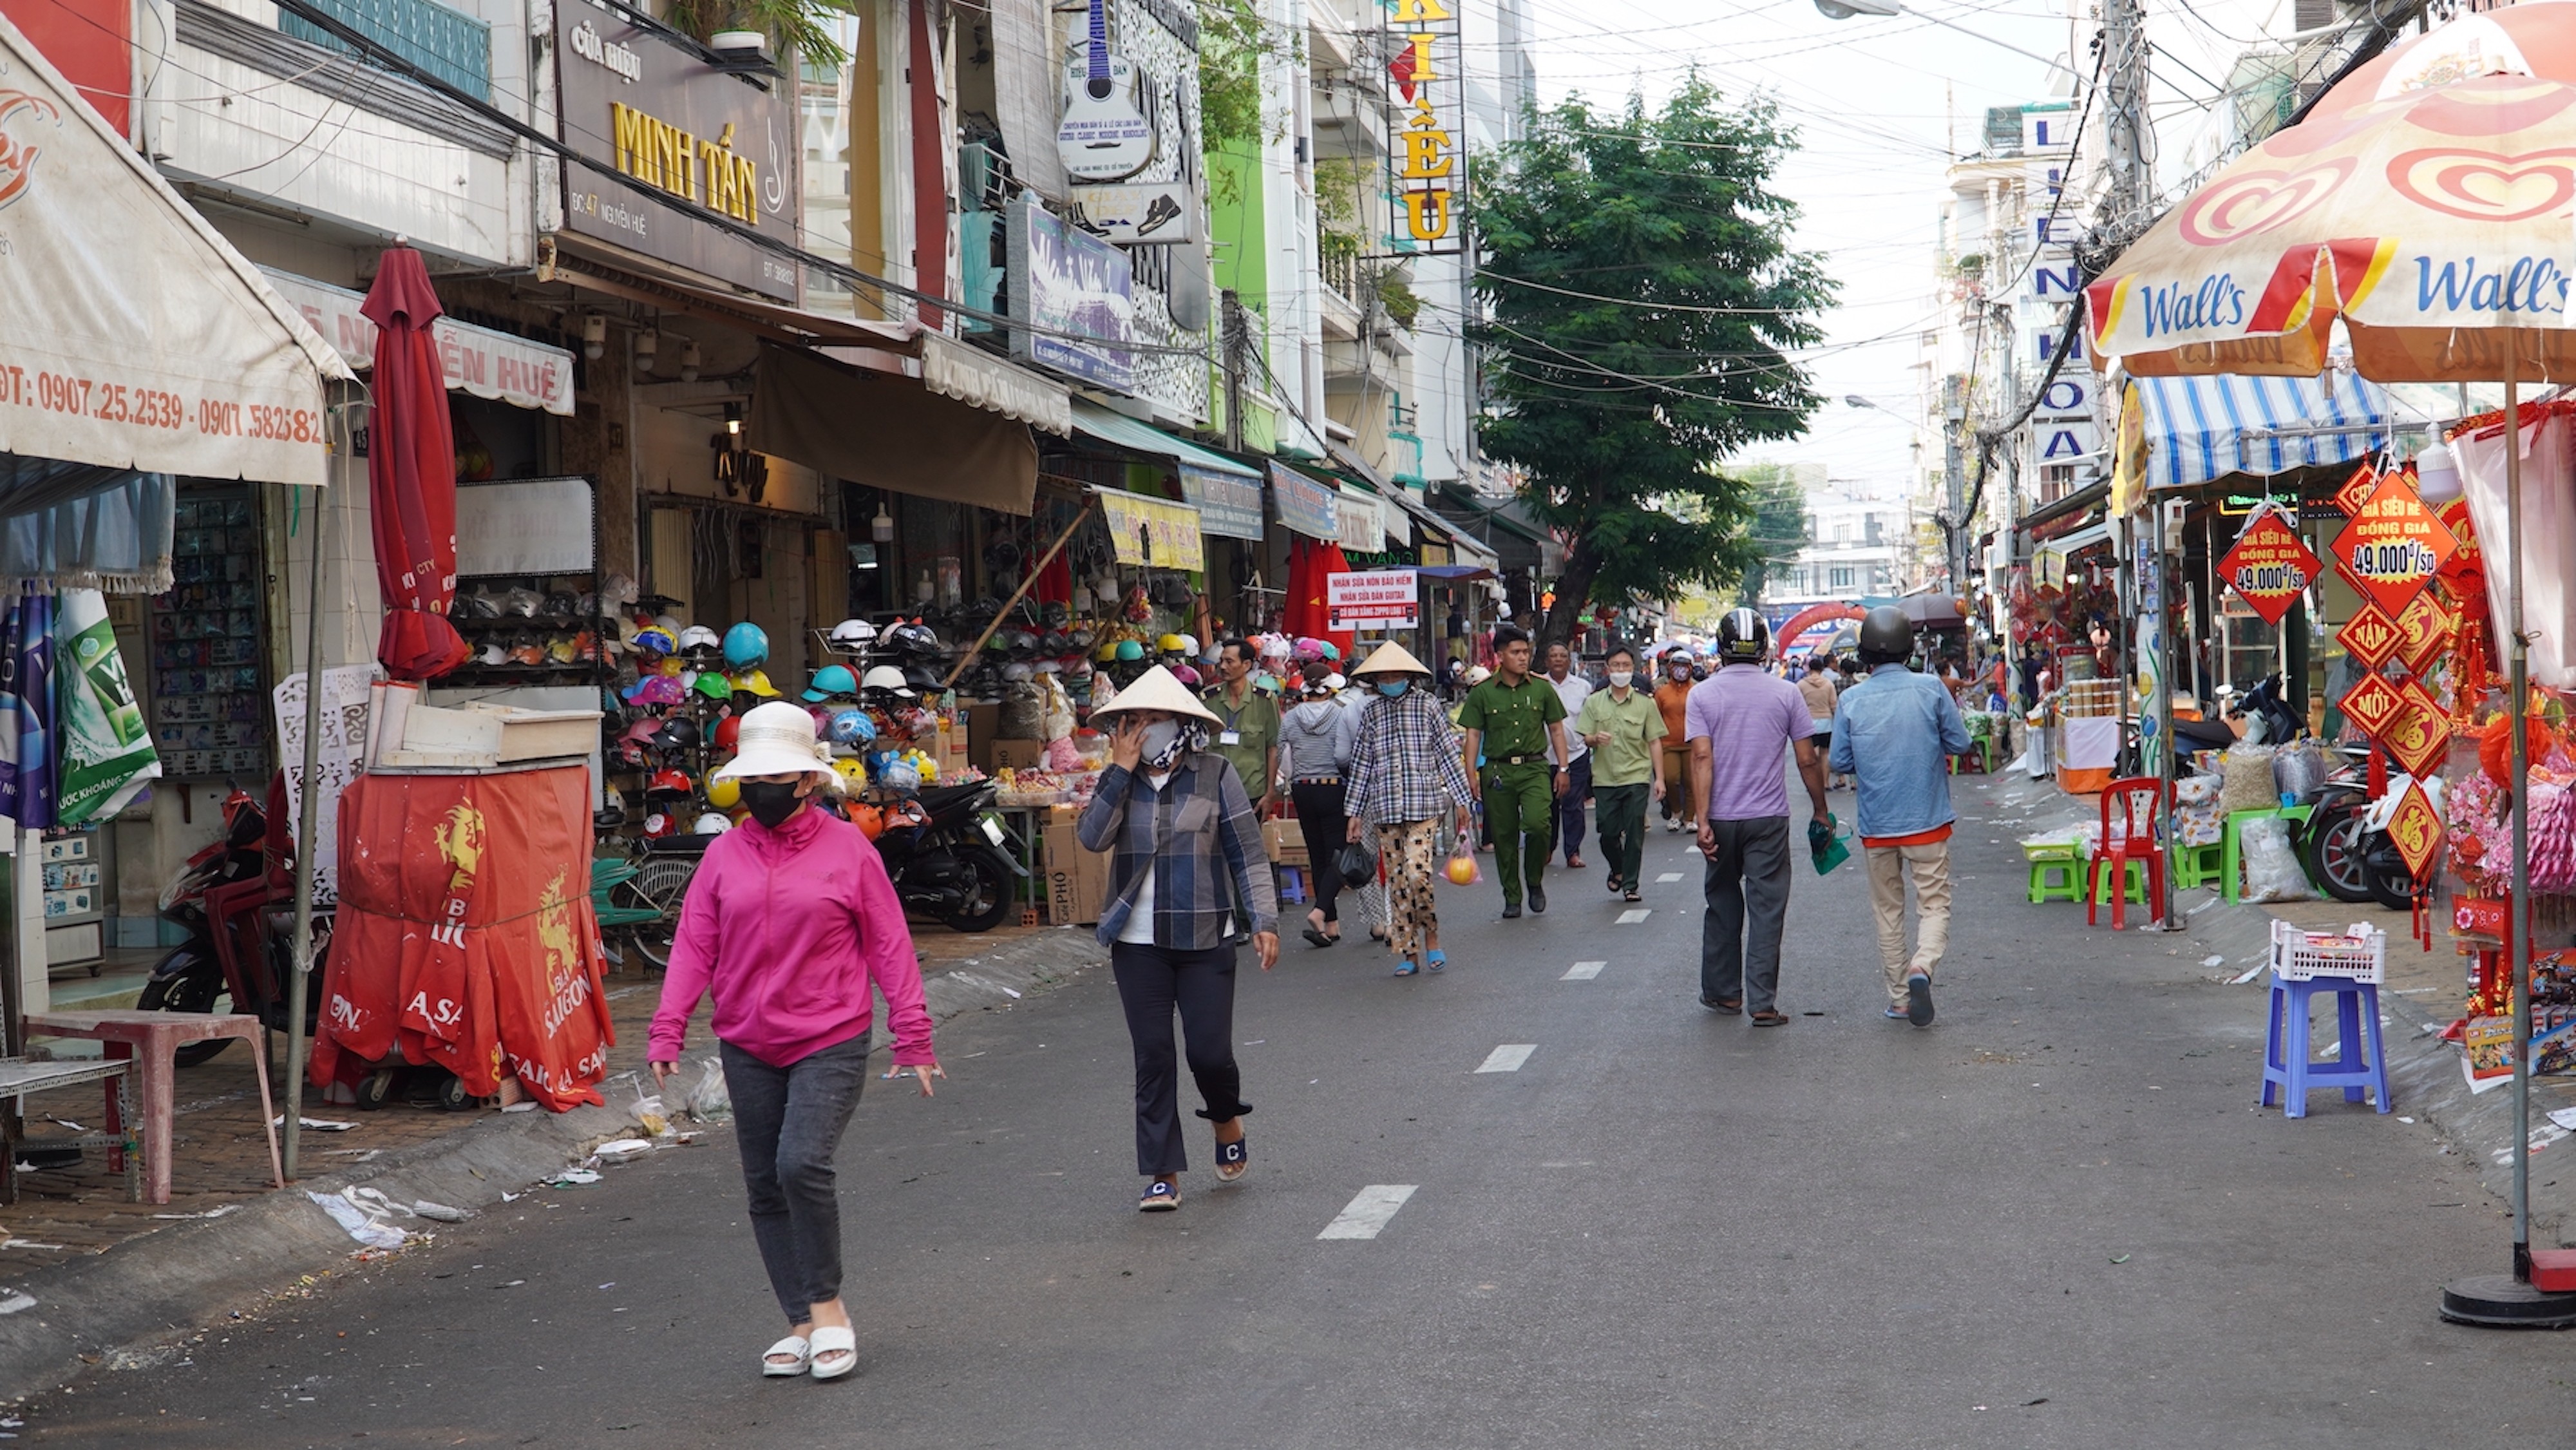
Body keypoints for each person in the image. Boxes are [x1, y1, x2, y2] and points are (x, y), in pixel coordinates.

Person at [649, 701, 942, 1383]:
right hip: (747, 1040)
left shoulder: (849, 851)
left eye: (774, 777)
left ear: (807, 781)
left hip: (830, 1035)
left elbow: (890, 944)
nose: (761, 791)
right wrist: (667, 1027)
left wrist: (913, 1035)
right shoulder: (723, 855)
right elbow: (695, 945)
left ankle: (829, 1306)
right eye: (751, 779)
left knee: (800, 1163)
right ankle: (799, 1322)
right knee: (762, 1183)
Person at [1077, 665, 1281, 1212]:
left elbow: (1247, 852)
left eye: (1154, 719)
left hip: (1205, 935)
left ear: (1181, 723)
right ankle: (1162, 1171)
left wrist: (1264, 919)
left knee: (1209, 1054)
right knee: (1153, 1056)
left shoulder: (1214, 773)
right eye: (1133, 720)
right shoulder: (1120, 778)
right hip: (1137, 942)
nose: (1144, 729)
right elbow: (1092, 838)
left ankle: (1225, 1116)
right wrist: (1117, 773)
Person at [1687, 609, 1829, 1027]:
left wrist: (1702, 820)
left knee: (1722, 900)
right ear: (1766, 649)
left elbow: (1700, 756)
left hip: (1721, 817)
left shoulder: (1703, 695)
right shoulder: (1785, 694)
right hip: (1768, 818)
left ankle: (1724, 993)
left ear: (1721, 646)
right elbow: (1806, 759)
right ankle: (1763, 1003)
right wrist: (1820, 809)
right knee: (1767, 909)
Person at [1832, 606, 1969, 1028]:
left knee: (1888, 910)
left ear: (1866, 653)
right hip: (1927, 821)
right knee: (1934, 903)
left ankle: (1899, 999)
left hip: (1878, 828)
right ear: (1910, 649)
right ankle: (1922, 966)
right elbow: (1961, 743)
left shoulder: (1852, 699)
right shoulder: (1931, 688)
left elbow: (1839, 760)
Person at [1343, 642, 1476, 975]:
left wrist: (1463, 800)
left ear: (1408, 675)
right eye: (1384, 675)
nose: (1390, 679)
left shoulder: (1428, 705)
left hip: (1424, 803)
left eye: (1395, 673)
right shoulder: (1371, 712)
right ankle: (1408, 952)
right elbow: (1362, 764)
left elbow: (1447, 753)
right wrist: (1354, 813)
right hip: (1386, 808)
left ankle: (1432, 936)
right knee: (1399, 883)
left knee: (1418, 874)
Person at [1457, 624, 1571, 919]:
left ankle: (1534, 880)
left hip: (1535, 768)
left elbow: (1556, 729)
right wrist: (1470, 774)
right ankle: (1512, 895)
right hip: (1497, 771)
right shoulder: (1483, 693)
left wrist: (1563, 767)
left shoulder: (1542, 688)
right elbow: (1472, 735)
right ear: (1499, 656)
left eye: (1526, 652)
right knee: (1504, 836)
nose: (1523, 658)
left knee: (1538, 824)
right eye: (1516, 652)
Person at [1575, 642, 1665, 902]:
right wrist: (1594, 738)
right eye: (1616, 665)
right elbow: (1585, 737)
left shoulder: (1645, 704)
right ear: (1608, 669)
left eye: (1625, 665)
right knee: (1608, 834)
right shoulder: (1594, 702)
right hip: (1604, 779)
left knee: (1635, 831)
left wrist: (1659, 778)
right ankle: (1618, 868)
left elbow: (1655, 741)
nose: (1621, 670)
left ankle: (1630, 884)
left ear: (1633, 669)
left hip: (1636, 777)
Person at [1281, 662, 1361, 948]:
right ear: (1330, 686)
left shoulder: (1291, 717)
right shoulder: (1341, 714)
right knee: (1338, 855)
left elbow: (1281, 752)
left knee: (1317, 856)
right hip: (1333, 788)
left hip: (1303, 789)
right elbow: (1346, 755)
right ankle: (1319, 912)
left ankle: (1331, 924)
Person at [1202, 637, 1282, 814]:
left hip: (1252, 793)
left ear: (1246, 665)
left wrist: (1270, 793)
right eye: (1221, 661)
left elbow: (1273, 748)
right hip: (1214, 791)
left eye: (1229, 662)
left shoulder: (1265, 701)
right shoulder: (1208, 699)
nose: (1223, 667)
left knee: (1248, 842)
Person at [1543, 640, 1595, 868]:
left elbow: (1591, 717)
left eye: (1562, 656)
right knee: (1547, 807)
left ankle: (1573, 851)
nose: (1558, 659)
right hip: (1545, 756)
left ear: (1569, 660)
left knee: (1573, 806)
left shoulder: (1583, 687)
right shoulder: (1539, 685)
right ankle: (1547, 848)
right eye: (1553, 656)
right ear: (1547, 660)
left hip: (1576, 754)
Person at [1654, 649, 1699, 835]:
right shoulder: (1662, 692)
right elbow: (1655, 717)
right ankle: (1676, 811)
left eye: (1684, 666)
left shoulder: (1697, 690)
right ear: (1670, 668)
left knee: (1691, 781)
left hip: (1691, 743)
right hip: (1668, 744)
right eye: (1677, 666)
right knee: (1671, 779)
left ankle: (1689, 818)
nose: (1681, 670)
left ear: (1691, 669)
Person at [1799, 654, 1842, 789]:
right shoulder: (1828, 684)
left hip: (1809, 722)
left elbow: (1798, 706)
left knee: (1812, 754)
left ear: (1809, 669)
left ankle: (1813, 783)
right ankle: (1825, 782)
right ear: (1822, 669)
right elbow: (1834, 704)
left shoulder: (1801, 685)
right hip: (1826, 722)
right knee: (1825, 754)